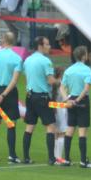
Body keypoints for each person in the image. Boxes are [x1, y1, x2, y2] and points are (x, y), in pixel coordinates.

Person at [0, 31, 23, 163]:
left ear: (3, 40)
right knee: (11, 124)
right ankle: (12, 156)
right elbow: (14, 81)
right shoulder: (17, 58)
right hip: (9, 92)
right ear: (13, 41)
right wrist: (4, 94)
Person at [21, 36, 58, 165]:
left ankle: (26, 157)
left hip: (30, 96)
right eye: (47, 44)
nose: (49, 46)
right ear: (40, 46)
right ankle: (51, 158)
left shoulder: (27, 60)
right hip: (42, 97)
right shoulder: (46, 61)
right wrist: (60, 82)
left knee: (29, 127)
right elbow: (50, 80)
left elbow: (27, 78)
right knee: (50, 126)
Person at [61, 46, 91, 168]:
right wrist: (78, 100)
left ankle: (67, 159)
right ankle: (83, 161)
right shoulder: (87, 70)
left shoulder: (68, 70)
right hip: (82, 101)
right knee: (82, 131)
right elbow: (86, 89)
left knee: (70, 128)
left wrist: (67, 99)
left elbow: (62, 87)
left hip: (71, 100)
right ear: (84, 56)